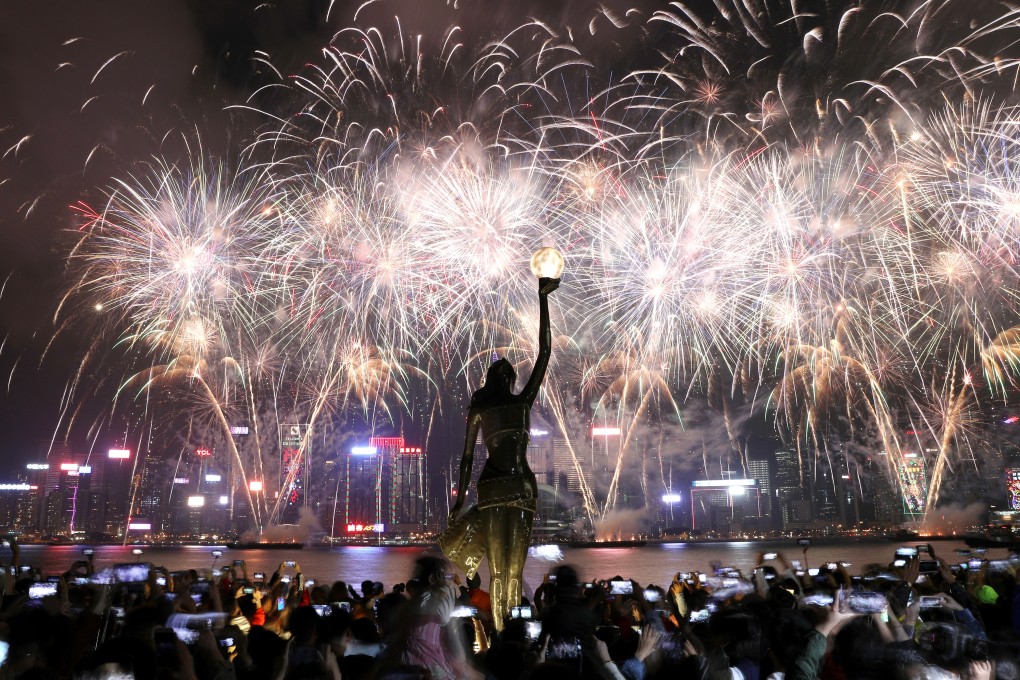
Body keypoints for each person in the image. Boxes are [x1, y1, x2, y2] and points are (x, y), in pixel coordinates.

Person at [441, 274, 560, 629]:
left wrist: (459, 502)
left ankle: (499, 636)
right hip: (521, 487)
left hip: (494, 488)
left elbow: (466, 460)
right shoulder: (522, 402)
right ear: (509, 380)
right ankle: (512, 635)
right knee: (513, 568)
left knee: (498, 569)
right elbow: (544, 353)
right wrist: (542, 300)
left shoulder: (480, 408)